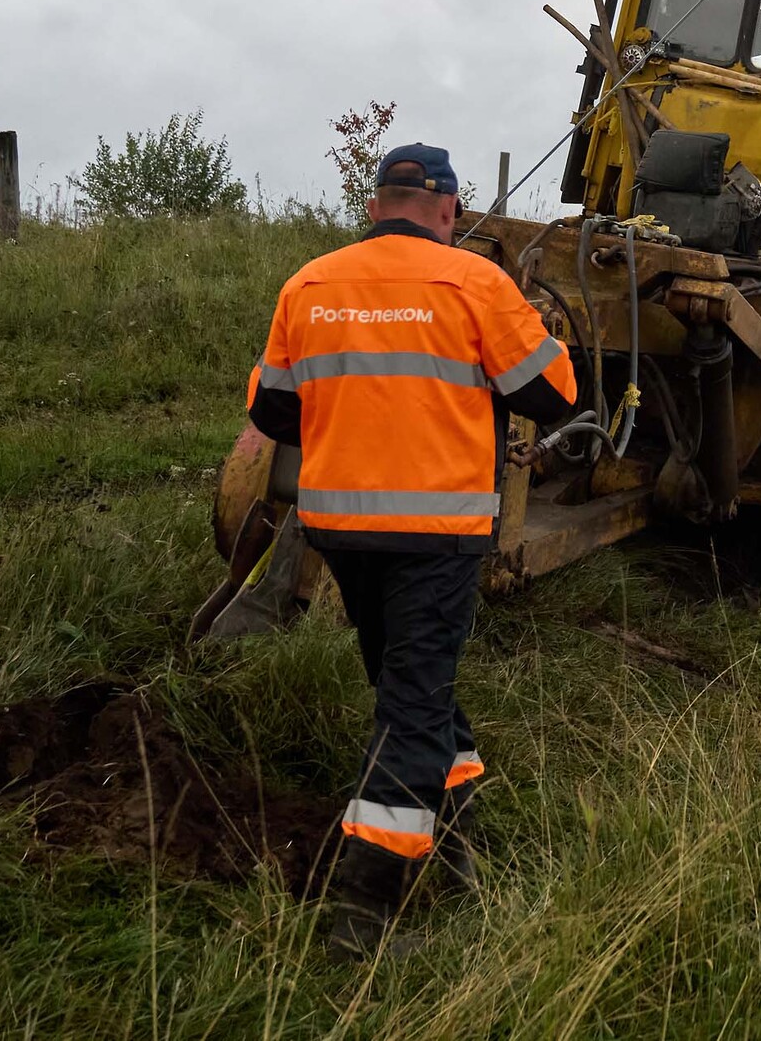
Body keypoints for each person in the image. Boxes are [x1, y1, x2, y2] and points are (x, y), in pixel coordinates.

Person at [244, 144, 577, 959]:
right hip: (436, 537)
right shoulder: (476, 284)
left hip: (342, 533)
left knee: (407, 686)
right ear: (448, 211)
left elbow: (274, 414)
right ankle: (364, 912)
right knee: (415, 707)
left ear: (373, 206)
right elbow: (554, 393)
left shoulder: (309, 283)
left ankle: (459, 840)